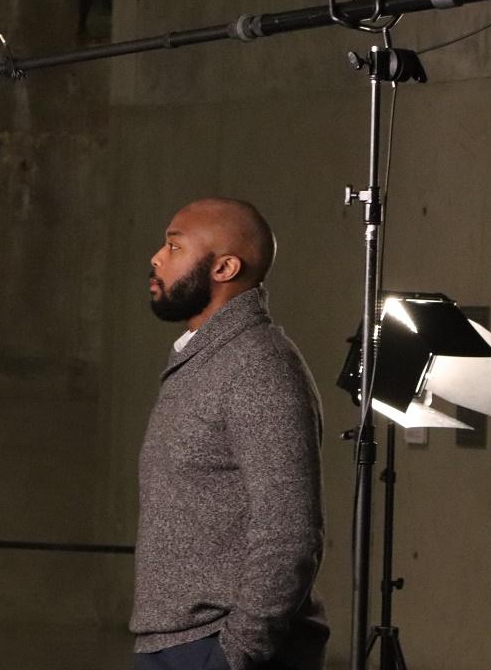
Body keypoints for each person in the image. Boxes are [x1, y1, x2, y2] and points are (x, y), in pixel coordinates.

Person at [131, 197, 328, 670]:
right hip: (175, 644)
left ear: (224, 267)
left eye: (174, 247)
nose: (157, 258)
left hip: (216, 648)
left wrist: (236, 654)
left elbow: (290, 533)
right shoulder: (208, 359)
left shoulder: (258, 365)